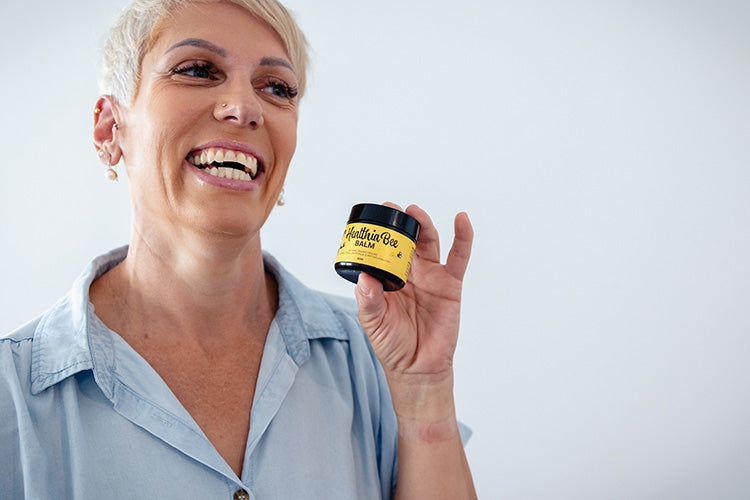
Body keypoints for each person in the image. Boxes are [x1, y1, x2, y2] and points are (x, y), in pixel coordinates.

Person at [0, 0, 477, 498]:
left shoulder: (375, 359)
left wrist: (425, 396)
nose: (245, 107)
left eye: (276, 88)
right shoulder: (11, 397)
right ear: (109, 129)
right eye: (198, 70)